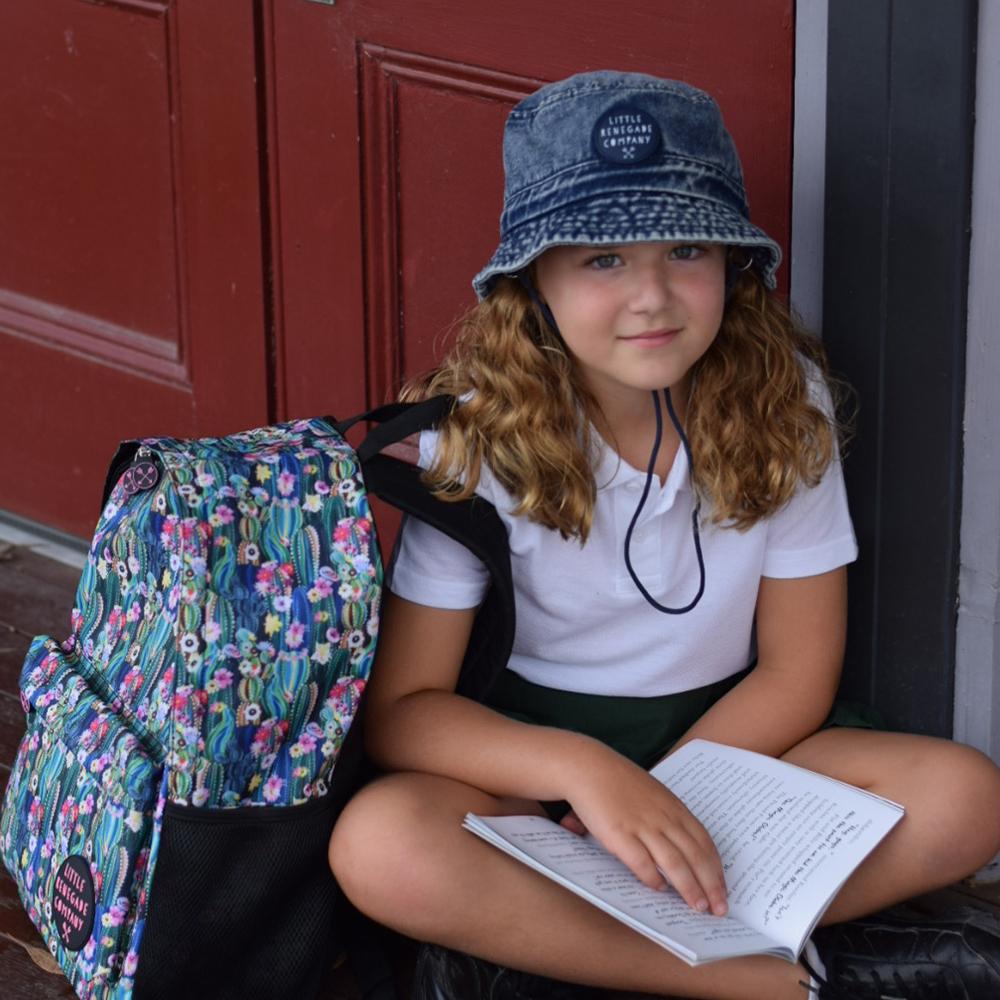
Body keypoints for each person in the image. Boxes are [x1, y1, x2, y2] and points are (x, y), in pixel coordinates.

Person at [329, 70, 1000, 999]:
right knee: (381, 847)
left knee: (964, 799)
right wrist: (587, 775)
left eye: (686, 248)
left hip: (735, 744)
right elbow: (405, 710)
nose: (652, 296)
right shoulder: (471, 436)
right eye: (602, 260)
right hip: (530, 758)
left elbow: (797, 672)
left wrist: (669, 792)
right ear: (531, 285)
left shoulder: (783, 407)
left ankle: (566, 952)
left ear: (736, 267)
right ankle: (740, 977)